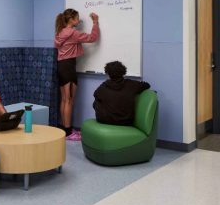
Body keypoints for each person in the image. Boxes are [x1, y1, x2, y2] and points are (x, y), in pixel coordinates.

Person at [54, 8, 99, 141]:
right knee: (69, 100)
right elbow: (92, 38)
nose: (79, 20)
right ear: (71, 19)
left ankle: (65, 128)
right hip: (68, 67)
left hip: (62, 66)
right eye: (77, 18)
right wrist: (95, 22)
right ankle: (68, 132)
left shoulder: (61, 31)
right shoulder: (73, 33)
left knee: (64, 100)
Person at [93, 61, 151, 125]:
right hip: (126, 122)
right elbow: (147, 85)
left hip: (104, 120)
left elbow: (95, 94)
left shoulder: (104, 85)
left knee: (97, 101)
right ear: (123, 71)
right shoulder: (132, 84)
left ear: (108, 73)